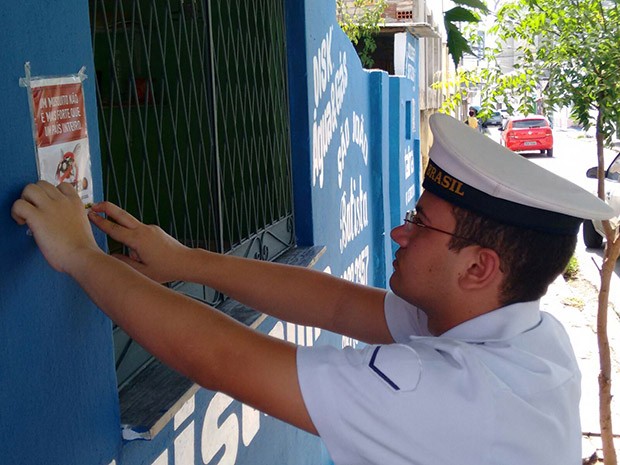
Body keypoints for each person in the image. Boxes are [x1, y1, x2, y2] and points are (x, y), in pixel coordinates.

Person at [12, 114, 614, 464]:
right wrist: (182, 261)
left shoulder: (452, 399)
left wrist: (79, 257)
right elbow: (336, 302)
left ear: (480, 269)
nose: (399, 231)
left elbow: (221, 358)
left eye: (423, 224)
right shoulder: (529, 334)